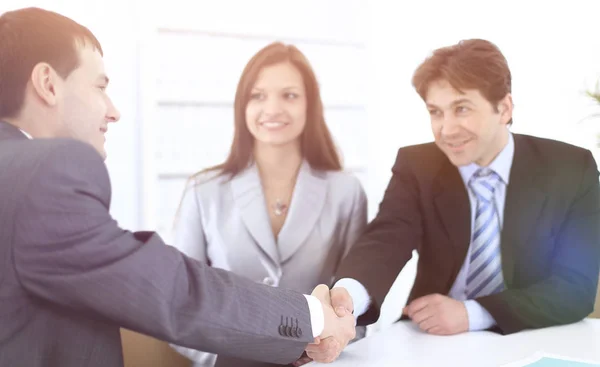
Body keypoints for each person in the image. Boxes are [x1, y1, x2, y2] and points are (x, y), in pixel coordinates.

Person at [0, 7, 356, 367]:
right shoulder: (43, 173)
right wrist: (311, 318)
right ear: (47, 83)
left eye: (290, 95)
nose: (113, 111)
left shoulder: (16, 170)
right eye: (100, 87)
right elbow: (172, 291)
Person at [319, 38, 600, 346]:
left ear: (504, 108)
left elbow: (575, 289)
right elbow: (386, 240)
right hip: (432, 339)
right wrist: (347, 297)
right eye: (435, 112)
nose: (446, 129)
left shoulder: (571, 168)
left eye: (461, 108)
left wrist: (473, 313)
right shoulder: (418, 166)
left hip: (532, 335)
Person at [168, 42, 367, 367]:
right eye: (258, 96)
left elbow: (355, 302)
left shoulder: (346, 191)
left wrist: (327, 346)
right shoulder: (202, 191)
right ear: (242, 106)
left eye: (289, 95)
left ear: (310, 105)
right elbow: (179, 303)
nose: (272, 108)